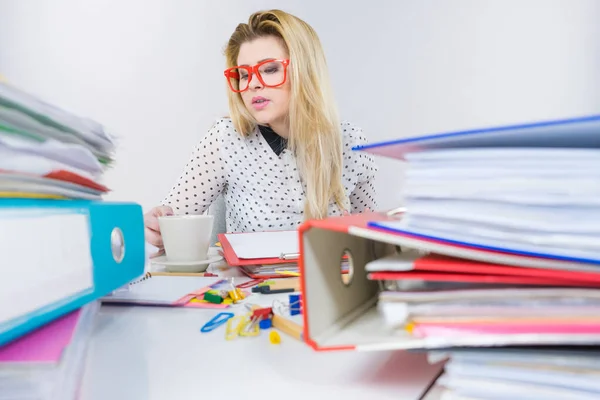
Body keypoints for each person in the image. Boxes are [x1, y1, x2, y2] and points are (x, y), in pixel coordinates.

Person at [144, 9, 377, 250]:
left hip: (327, 285)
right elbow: (168, 227)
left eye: (270, 69)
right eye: (243, 74)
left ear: (304, 71)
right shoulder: (226, 139)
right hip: (251, 287)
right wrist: (157, 228)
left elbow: (370, 243)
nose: (253, 84)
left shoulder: (351, 142)